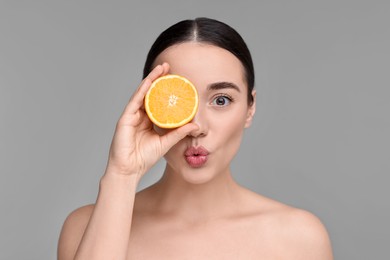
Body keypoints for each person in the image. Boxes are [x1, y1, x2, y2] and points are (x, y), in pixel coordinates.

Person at [58, 17, 333, 259]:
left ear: (250, 108)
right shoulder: (85, 228)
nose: (197, 126)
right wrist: (121, 175)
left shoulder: (300, 238)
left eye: (221, 100)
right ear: (148, 106)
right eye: (177, 101)